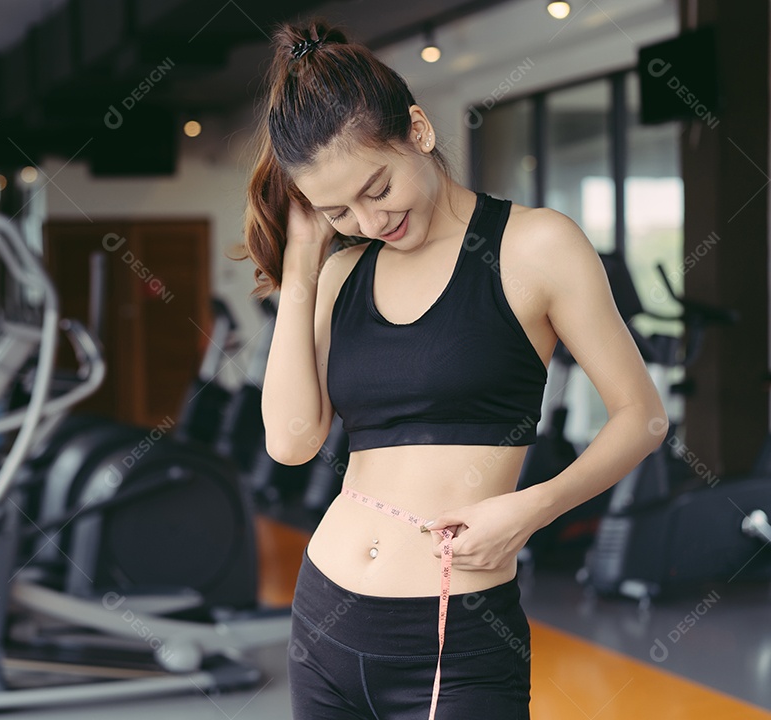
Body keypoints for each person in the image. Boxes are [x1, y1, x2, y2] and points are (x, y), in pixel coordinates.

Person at [241, 21, 666, 720]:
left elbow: (642, 415)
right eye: (338, 208)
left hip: (456, 635)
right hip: (324, 624)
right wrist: (302, 258)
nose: (370, 219)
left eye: (376, 187)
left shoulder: (536, 246)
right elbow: (291, 443)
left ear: (418, 129)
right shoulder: (342, 271)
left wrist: (532, 509)